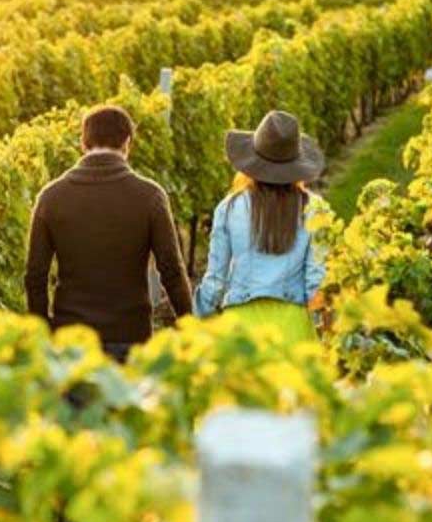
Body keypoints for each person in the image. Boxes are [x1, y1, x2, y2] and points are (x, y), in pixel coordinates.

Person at [25, 105, 193, 361]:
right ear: (127, 143)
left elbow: (35, 276)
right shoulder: (150, 196)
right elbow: (171, 269)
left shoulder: (51, 197)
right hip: (131, 338)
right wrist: (188, 325)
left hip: (71, 340)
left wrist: (45, 330)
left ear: (83, 142)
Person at [194, 110, 327, 343]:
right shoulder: (315, 208)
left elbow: (215, 281)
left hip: (240, 328)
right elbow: (316, 280)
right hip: (292, 328)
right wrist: (325, 329)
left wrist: (197, 317)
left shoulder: (229, 208)